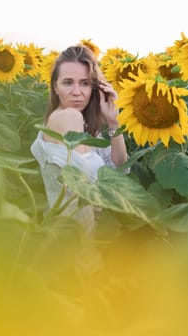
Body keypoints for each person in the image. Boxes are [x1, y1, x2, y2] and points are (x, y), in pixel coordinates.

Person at [30, 45, 128, 270]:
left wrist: (114, 122)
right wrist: (87, 261)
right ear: (55, 87)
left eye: (85, 83)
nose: (77, 92)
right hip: (74, 251)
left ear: (95, 88)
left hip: (76, 243)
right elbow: (82, 193)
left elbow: (120, 167)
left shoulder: (89, 129)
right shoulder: (68, 119)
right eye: (68, 83)